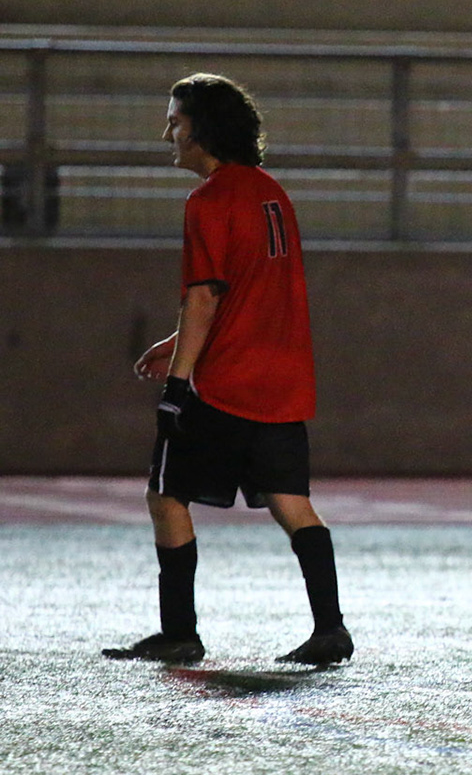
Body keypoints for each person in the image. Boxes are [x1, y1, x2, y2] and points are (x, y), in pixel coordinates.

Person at [104, 74, 351, 667]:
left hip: (225, 384)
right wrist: (176, 341)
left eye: (175, 121)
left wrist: (177, 383)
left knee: (166, 495)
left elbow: (206, 296)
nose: (167, 132)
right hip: (282, 381)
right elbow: (246, 292)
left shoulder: (208, 201)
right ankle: (331, 628)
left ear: (202, 129)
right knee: (292, 504)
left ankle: (179, 632)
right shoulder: (272, 193)